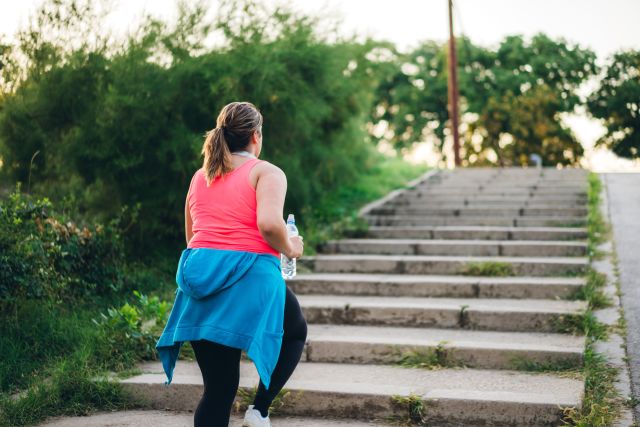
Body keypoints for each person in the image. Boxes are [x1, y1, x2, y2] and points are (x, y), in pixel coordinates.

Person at [155, 101, 307, 427]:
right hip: (250, 275)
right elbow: (268, 224)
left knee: (218, 390)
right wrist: (291, 247)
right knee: (294, 332)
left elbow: (193, 235)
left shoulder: (201, 176)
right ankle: (260, 410)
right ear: (256, 135)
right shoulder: (266, 172)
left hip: (200, 279)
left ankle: (257, 412)